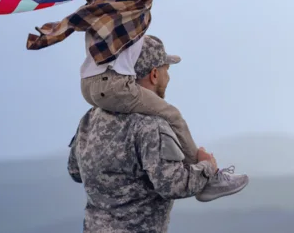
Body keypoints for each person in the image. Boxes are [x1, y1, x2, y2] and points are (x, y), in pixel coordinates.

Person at [28, 0, 223, 167]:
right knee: (172, 115)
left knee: (124, 112)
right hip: (114, 84)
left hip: (88, 84)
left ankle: (82, 158)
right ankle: (205, 172)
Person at [67, 35, 249, 232]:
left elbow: (75, 171)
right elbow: (173, 184)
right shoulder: (151, 126)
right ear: (154, 74)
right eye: (166, 71)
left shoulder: (91, 117)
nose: (168, 77)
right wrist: (207, 167)